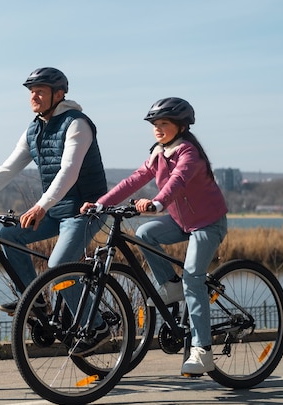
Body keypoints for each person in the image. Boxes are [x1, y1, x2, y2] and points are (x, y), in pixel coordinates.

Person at [0, 67, 109, 355]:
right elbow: (7, 169)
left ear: (58, 95)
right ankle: (33, 298)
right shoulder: (34, 129)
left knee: (59, 267)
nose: (33, 96)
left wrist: (40, 206)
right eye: (31, 91)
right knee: (10, 233)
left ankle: (95, 325)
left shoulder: (77, 124)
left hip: (85, 210)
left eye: (40, 91)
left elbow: (68, 172)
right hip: (56, 208)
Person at [80, 97, 228, 375]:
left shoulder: (189, 153)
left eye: (164, 124)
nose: (157, 129)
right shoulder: (158, 152)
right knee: (145, 232)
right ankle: (171, 285)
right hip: (180, 222)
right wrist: (101, 203)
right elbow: (134, 180)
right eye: (155, 124)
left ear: (181, 126)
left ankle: (202, 350)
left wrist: (157, 203)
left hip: (208, 224)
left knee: (194, 278)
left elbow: (177, 181)